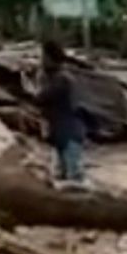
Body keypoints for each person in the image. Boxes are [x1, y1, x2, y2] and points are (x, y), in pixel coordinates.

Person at [37, 40, 87, 187]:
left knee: (74, 179)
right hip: (59, 134)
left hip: (69, 134)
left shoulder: (62, 79)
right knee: (62, 176)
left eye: (43, 56)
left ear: (51, 58)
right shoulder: (54, 77)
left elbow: (41, 97)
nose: (41, 60)